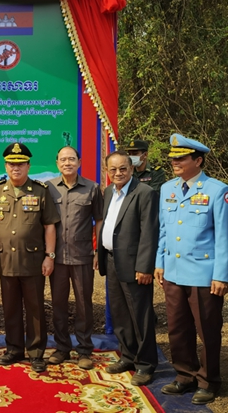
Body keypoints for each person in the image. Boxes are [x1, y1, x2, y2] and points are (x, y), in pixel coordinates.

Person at [154, 134, 228, 405]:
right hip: (173, 272)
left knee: (207, 330)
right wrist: (159, 262)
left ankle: (208, 381)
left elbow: (224, 237)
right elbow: (164, 230)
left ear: (198, 161)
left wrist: (221, 275)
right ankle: (185, 375)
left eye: (181, 158)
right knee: (177, 328)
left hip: (203, 275)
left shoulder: (217, 190)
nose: (175, 162)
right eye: (173, 159)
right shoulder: (167, 189)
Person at [0, 143, 60, 373]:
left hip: (33, 261)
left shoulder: (40, 191)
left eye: (20, 164)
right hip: (5, 260)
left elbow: (49, 226)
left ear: (28, 166)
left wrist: (50, 256)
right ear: (5, 166)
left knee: (35, 308)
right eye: (11, 164)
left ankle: (36, 352)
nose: (16, 168)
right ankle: (14, 349)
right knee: (10, 308)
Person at [97, 151, 158, 386]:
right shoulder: (109, 192)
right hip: (112, 261)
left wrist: (145, 267)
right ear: (107, 171)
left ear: (131, 169)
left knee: (140, 315)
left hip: (135, 265)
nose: (118, 173)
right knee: (120, 313)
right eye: (113, 169)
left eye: (123, 168)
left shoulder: (144, 193)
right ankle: (128, 356)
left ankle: (146, 364)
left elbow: (149, 232)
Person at [46, 146, 103, 370]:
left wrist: (98, 251)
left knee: (83, 305)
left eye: (71, 159)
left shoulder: (92, 188)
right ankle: (62, 348)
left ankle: (84, 350)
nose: (67, 163)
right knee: (58, 304)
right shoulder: (49, 187)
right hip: (57, 257)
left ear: (79, 162)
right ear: (57, 163)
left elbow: (99, 220)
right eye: (63, 160)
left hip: (82, 256)